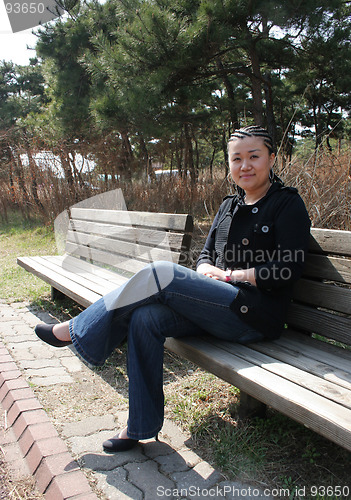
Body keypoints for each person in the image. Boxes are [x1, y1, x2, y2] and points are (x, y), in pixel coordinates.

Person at [35, 125, 311, 452]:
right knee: (145, 318)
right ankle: (138, 427)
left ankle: (77, 330)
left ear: (272, 158)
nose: (245, 165)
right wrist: (206, 269)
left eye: (254, 156)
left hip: (253, 315)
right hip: (218, 307)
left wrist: (234, 276)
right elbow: (207, 255)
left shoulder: (286, 204)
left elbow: (289, 268)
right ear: (229, 164)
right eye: (237, 158)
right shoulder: (227, 206)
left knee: (161, 272)